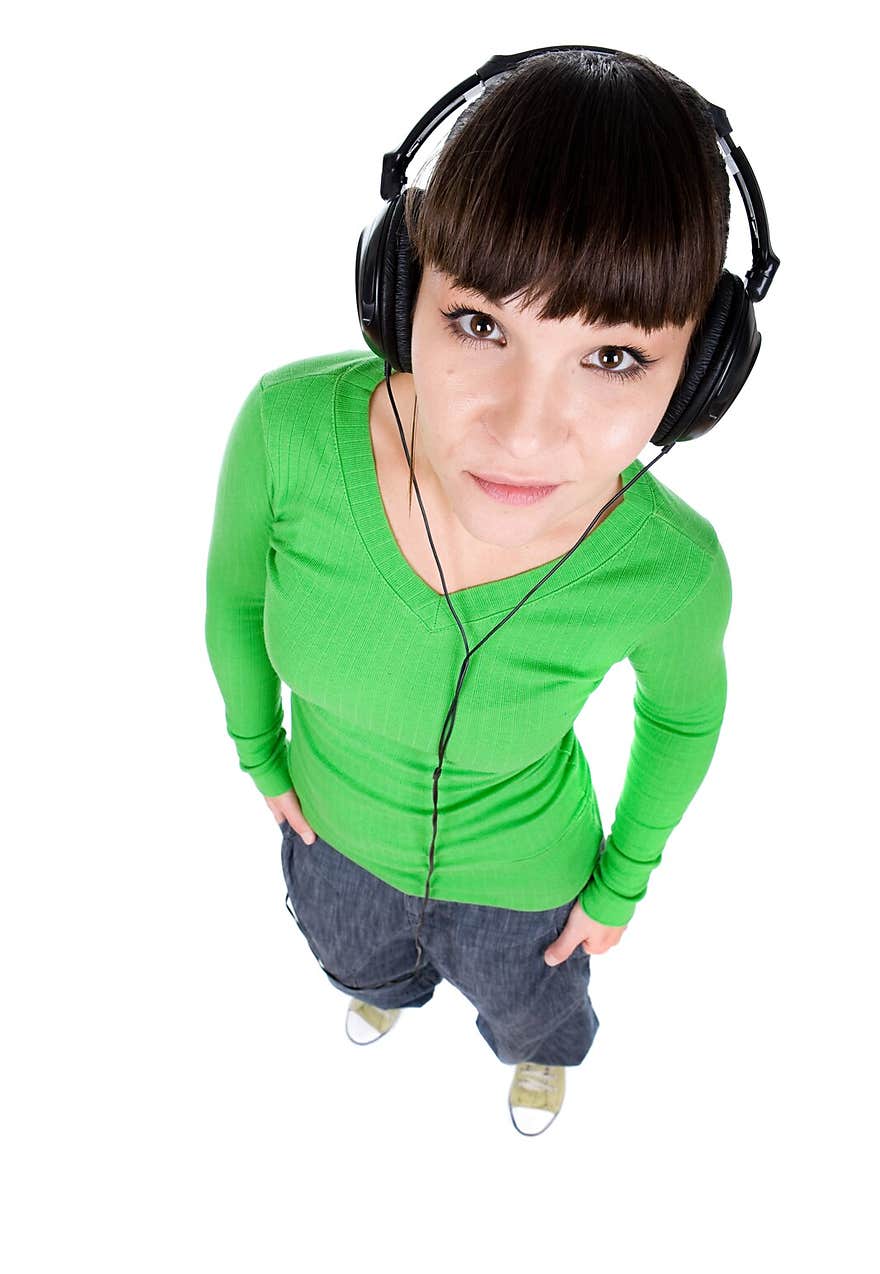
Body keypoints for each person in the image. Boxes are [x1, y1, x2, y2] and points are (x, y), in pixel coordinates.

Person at [204, 49, 735, 1135]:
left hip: (528, 887)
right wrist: (260, 754)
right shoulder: (289, 431)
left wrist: (619, 881)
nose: (526, 429)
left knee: (534, 1008)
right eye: (479, 324)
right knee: (358, 955)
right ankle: (383, 987)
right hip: (332, 837)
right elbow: (230, 600)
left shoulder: (671, 563)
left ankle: (536, 1056)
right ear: (402, 291)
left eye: (617, 357)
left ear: (705, 370)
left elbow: (683, 713)